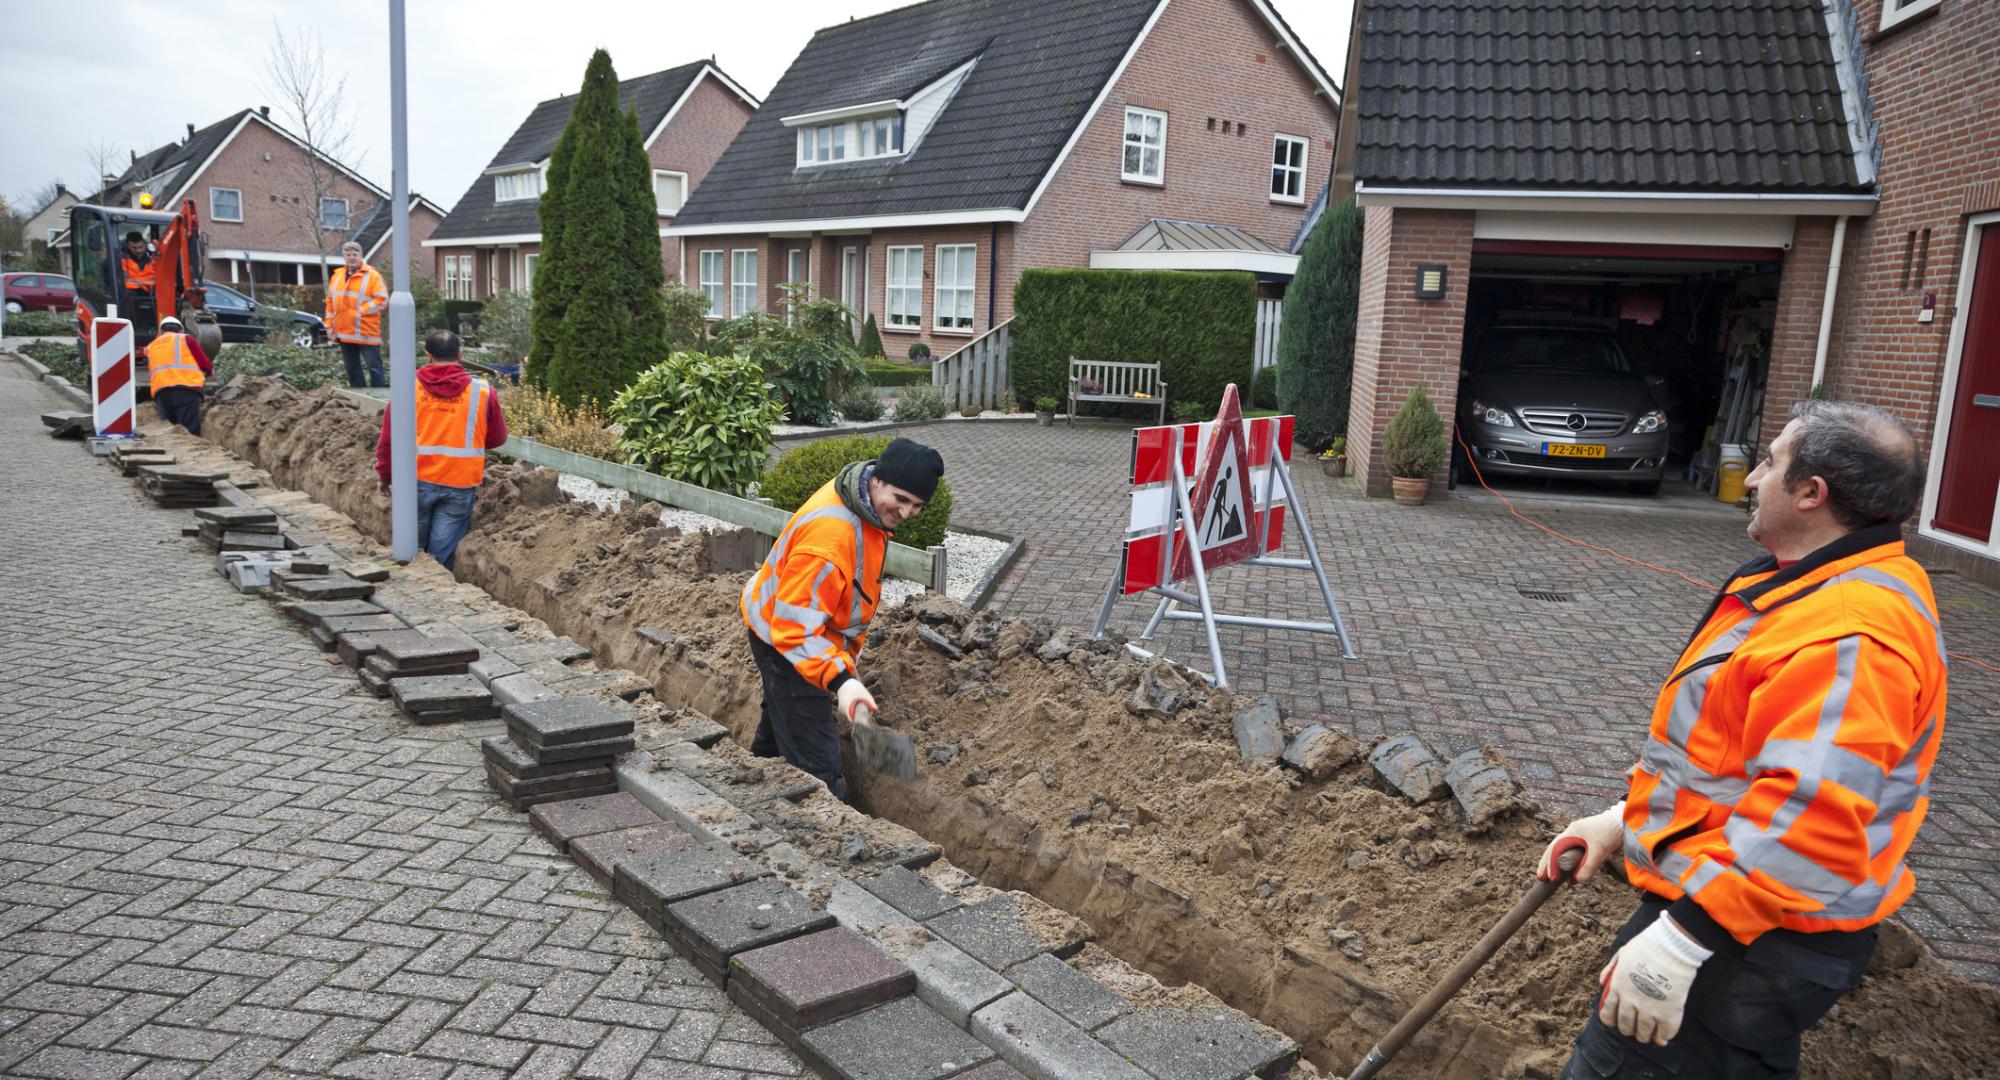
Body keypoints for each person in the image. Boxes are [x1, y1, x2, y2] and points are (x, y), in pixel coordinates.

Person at [1540, 400, 1946, 1080]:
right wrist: (1622, 819)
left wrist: (1685, 940)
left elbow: (1811, 819)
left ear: (1811, 495)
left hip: (1750, 937)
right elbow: (1732, 755)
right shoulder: (1805, 588)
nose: (1751, 479)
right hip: (1742, 912)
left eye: (1769, 463)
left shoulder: (1849, 634)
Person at [741, 437, 944, 802]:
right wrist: (842, 681)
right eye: (900, 499)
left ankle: (755, 784)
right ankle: (819, 830)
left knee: (782, 722)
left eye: (917, 505)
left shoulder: (861, 501)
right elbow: (794, 630)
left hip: (799, 628)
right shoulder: (830, 539)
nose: (908, 512)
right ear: (878, 480)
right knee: (817, 769)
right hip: (784, 641)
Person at [374, 331, 507, 571]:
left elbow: (388, 439)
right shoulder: (483, 391)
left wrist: (385, 475)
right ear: (460, 355)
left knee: (410, 550)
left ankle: (409, 588)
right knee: (439, 559)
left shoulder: (407, 387)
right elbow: (497, 438)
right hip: (460, 481)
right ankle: (434, 594)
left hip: (416, 480)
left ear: (428, 356)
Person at [327, 241, 388, 389]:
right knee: (352, 368)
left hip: (366, 331)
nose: (352, 257)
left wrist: (361, 311)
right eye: (348, 255)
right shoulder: (337, 276)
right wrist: (329, 324)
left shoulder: (372, 276)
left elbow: (382, 300)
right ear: (344, 257)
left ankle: (380, 398)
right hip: (344, 331)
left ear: (361, 256)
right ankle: (359, 398)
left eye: (355, 254)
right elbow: (330, 302)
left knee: (374, 367)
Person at [145, 315, 211, 435]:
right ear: (181, 330)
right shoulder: (186, 339)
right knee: (189, 430)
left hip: (161, 392)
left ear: (161, 331)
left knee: (170, 431)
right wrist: (208, 372)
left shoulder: (151, 346)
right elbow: (204, 363)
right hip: (185, 389)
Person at [120, 231, 156, 313]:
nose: (138, 250)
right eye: (134, 248)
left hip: (151, 290)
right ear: (127, 246)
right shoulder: (121, 260)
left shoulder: (153, 258)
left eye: (141, 247)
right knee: (129, 297)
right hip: (131, 292)